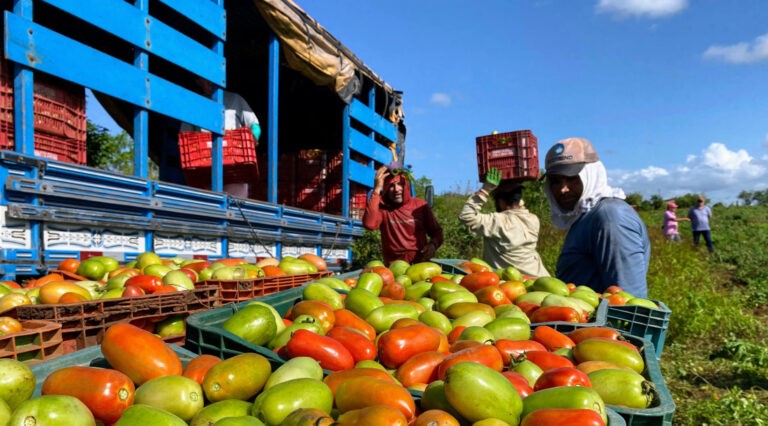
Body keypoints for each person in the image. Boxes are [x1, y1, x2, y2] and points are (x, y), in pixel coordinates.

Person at [543, 137, 651, 298]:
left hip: (603, 323)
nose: (563, 189)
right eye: (555, 182)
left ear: (591, 175)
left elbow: (627, 300)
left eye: (572, 178)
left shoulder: (610, 217)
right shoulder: (585, 216)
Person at [458, 167, 550, 277]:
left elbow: (466, 216)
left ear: (501, 202)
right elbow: (518, 212)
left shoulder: (498, 221)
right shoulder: (533, 220)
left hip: (515, 284)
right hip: (539, 278)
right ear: (519, 200)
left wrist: (485, 190)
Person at [362, 164, 443, 265]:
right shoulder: (383, 209)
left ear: (407, 185)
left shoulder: (419, 206)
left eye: (400, 184)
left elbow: (437, 232)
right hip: (394, 269)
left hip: (419, 266)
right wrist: (377, 189)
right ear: (386, 188)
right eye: (391, 185)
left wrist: (433, 245)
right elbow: (369, 224)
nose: (397, 189)